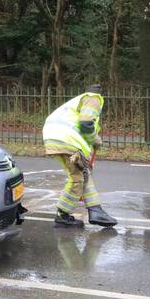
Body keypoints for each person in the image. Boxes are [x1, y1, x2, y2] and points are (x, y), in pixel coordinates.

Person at [42, 84, 117, 228]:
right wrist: (95, 139)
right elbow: (86, 124)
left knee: (83, 174)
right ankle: (62, 215)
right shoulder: (94, 98)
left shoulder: (79, 100)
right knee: (77, 179)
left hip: (57, 138)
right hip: (67, 139)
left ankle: (96, 210)